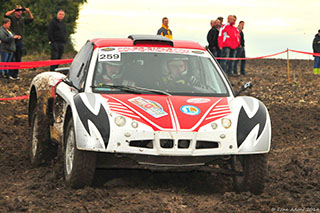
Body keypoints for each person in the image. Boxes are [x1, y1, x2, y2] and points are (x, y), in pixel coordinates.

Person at [4, 5, 33, 80]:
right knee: (11, 58)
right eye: (18, 10)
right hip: (12, 40)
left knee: (18, 57)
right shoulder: (12, 18)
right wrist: (14, 10)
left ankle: (15, 74)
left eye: (20, 10)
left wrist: (28, 11)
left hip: (20, 40)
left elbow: (31, 19)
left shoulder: (22, 19)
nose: (19, 12)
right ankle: (9, 73)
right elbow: (6, 15)